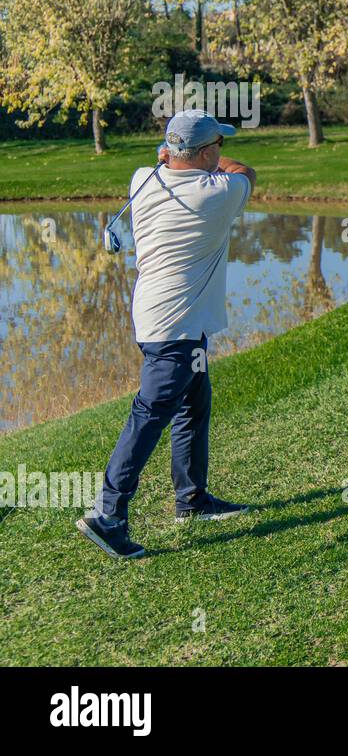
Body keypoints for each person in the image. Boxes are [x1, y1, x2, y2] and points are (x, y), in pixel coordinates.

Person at [77, 110, 257, 558]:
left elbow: (173, 162)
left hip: (165, 318)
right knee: (150, 413)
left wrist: (184, 153)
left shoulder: (144, 177)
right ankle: (108, 515)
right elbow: (247, 173)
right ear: (206, 152)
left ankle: (192, 499)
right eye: (217, 144)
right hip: (174, 326)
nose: (222, 151)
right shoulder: (216, 194)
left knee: (193, 404)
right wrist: (208, 157)